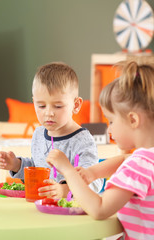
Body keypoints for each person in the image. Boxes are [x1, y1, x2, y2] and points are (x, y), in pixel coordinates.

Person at [47, 60, 154, 239]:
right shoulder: (146, 160)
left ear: (133, 120)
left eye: (111, 121)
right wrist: (92, 173)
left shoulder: (139, 165)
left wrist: (67, 170)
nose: (109, 129)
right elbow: (126, 159)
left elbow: (99, 209)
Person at [0, 62, 103, 198]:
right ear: (34, 102)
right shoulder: (39, 134)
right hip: (43, 207)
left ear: (76, 105)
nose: (48, 113)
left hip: (71, 210)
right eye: (41, 106)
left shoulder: (82, 140)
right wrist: (16, 165)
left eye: (58, 106)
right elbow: (38, 168)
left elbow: (94, 181)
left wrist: (65, 190)